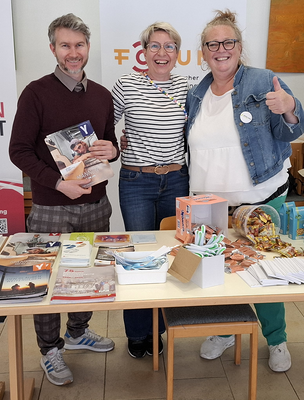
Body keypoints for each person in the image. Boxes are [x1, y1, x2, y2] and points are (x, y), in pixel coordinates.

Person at [185, 9, 304, 373]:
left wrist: (290, 108)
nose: (221, 49)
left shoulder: (263, 81)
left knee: (265, 271)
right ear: (203, 52)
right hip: (211, 205)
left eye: (228, 42)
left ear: (239, 47)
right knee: (220, 272)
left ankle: (277, 338)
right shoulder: (196, 93)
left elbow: (291, 130)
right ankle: (225, 330)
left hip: (261, 198)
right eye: (213, 44)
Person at [8, 13, 118, 387]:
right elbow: (19, 151)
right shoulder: (35, 93)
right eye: (65, 45)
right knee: (46, 278)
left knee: (89, 274)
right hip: (51, 207)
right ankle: (49, 350)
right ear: (53, 48)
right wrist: (58, 183)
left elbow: (108, 144)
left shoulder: (102, 95)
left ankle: (78, 332)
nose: (73, 52)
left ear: (88, 48)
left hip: (96, 205)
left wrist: (113, 150)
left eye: (79, 45)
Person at [111, 22, 189, 359]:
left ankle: (158, 328)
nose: (162, 53)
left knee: (170, 254)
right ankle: (137, 332)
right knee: (139, 257)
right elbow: (104, 125)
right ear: (143, 52)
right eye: (154, 46)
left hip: (177, 181)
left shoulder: (187, 88)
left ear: (178, 53)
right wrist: (116, 143)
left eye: (169, 47)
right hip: (136, 182)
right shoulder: (126, 85)